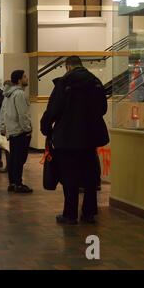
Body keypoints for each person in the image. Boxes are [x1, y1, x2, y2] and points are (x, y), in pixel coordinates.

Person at [40, 56, 109, 225]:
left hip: (67, 139)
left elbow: (53, 109)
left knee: (69, 178)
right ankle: (89, 213)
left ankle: (70, 215)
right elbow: (103, 109)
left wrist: (46, 129)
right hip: (90, 138)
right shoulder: (95, 82)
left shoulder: (64, 83)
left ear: (67, 67)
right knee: (90, 177)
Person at [0, 70, 33, 194]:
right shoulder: (19, 94)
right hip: (20, 131)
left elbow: (3, 112)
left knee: (13, 158)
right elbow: (23, 114)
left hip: (12, 131)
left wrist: (2, 127)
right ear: (19, 80)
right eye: (24, 77)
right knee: (19, 159)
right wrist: (27, 129)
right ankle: (18, 184)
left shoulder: (7, 94)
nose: (26, 78)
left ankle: (12, 183)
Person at [0, 80, 13, 173]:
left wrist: (2, 126)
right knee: (7, 149)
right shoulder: (6, 97)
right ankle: (9, 166)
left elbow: (5, 113)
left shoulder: (8, 97)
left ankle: (9, 167)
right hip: (8, 127)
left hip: (9, 128)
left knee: (8, 149)